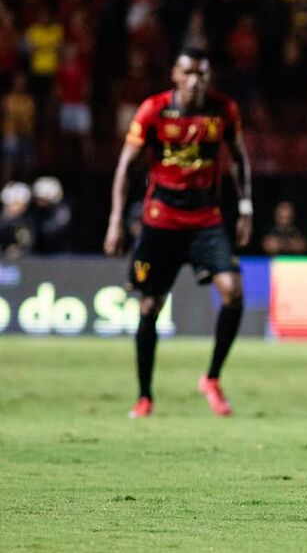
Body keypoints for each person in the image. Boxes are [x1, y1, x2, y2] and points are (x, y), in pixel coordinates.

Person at [103, 47, 253, 419]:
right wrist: (116, 219)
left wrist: (245, 208)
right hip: (161, 220)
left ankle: (212, 379)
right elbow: (125, 166)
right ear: (174, 74)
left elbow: (238, 159)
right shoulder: (153, 110)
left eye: (201, 74)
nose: (194, 80)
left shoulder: (223, 109)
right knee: (149, 306)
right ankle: (144, 396)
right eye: (188, 73)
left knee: (233, 292)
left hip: (206, 219)